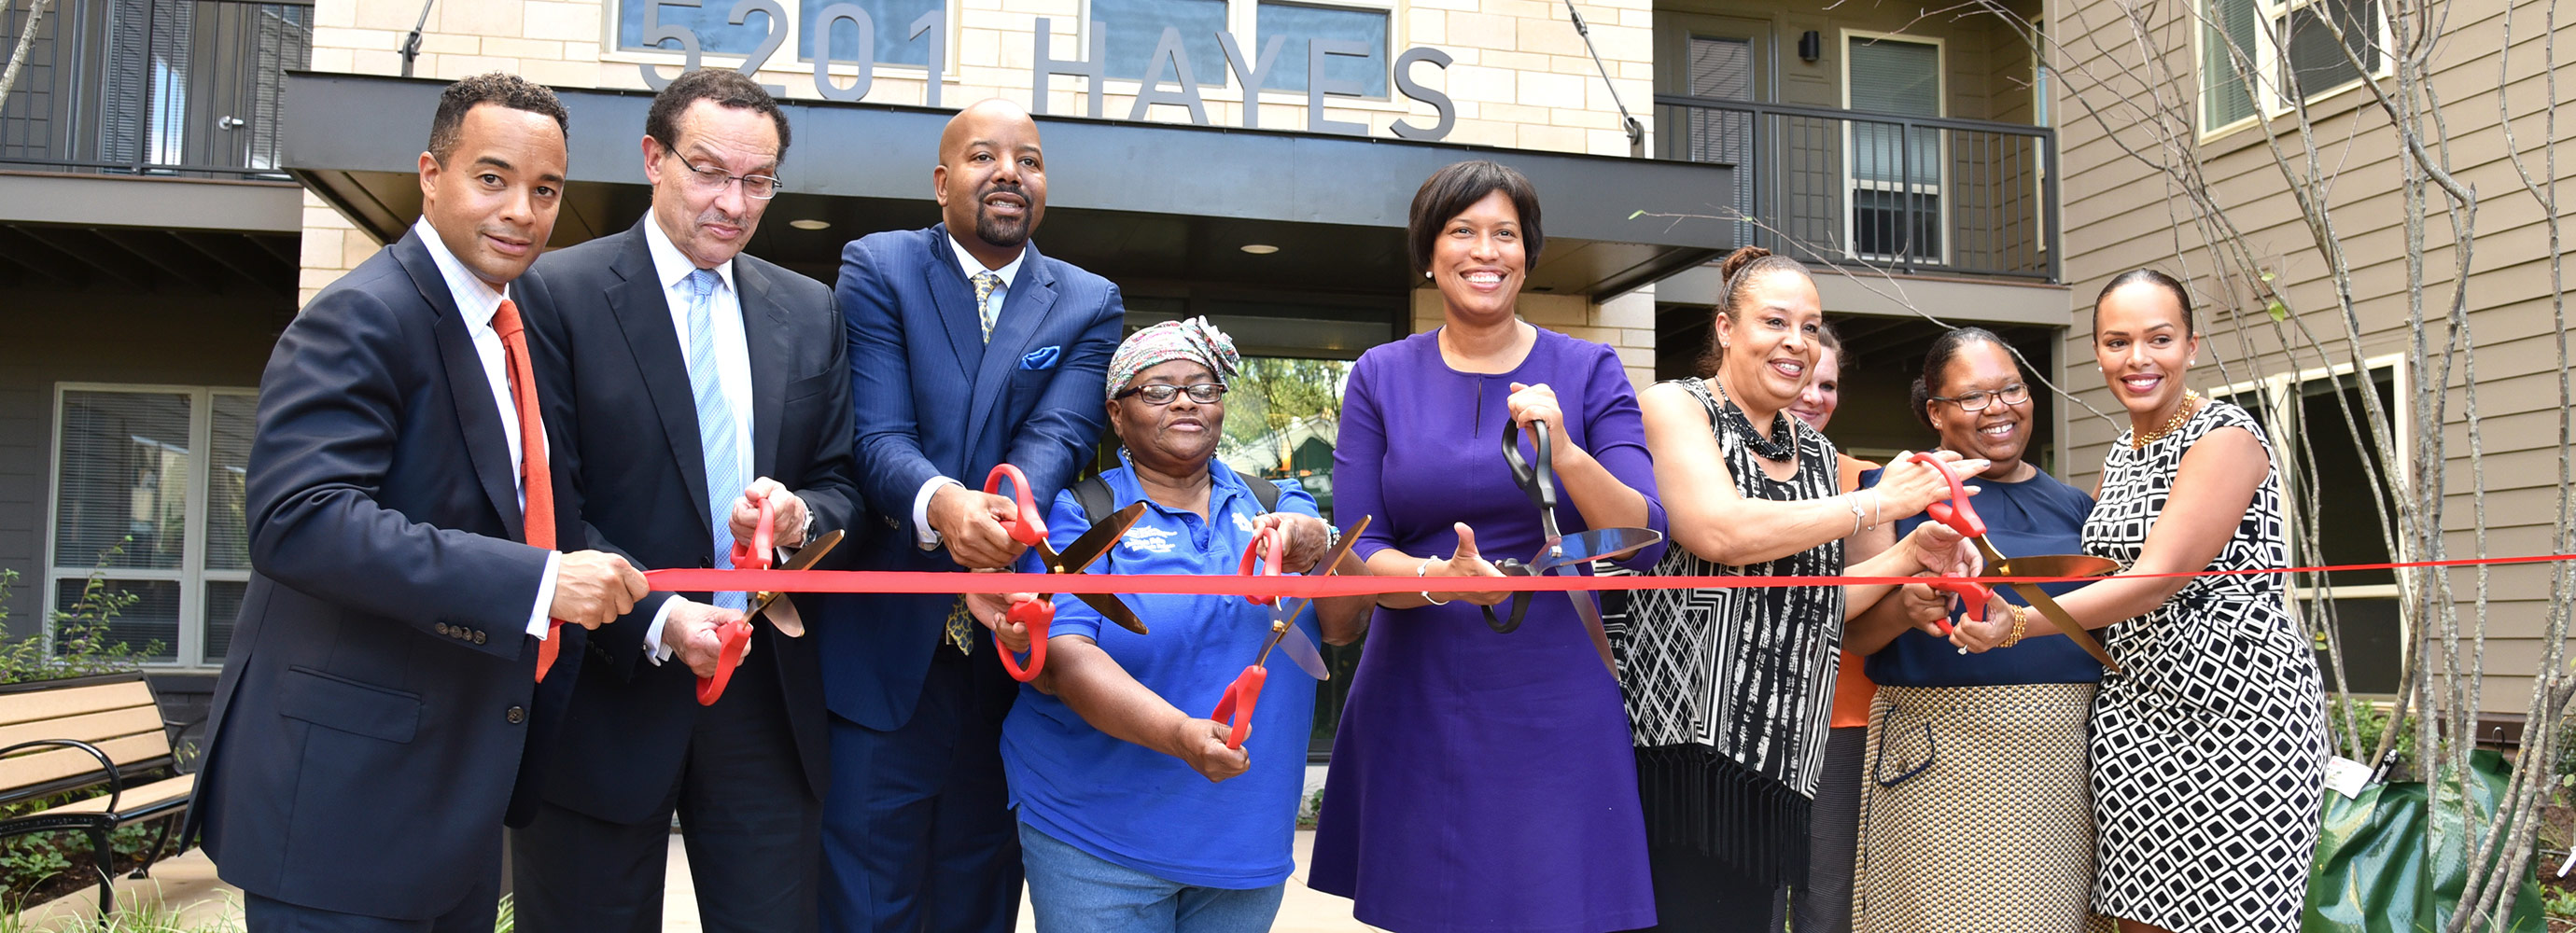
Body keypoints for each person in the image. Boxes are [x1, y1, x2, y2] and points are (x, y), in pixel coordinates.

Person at [182, 74, 651, 931]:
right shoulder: (364, 314)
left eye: (545, 190)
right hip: (342, 809)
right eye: (493, 178)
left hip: (449, 805)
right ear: (431, 174)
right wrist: (541, 584)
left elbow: (533, 515)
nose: (521, 210)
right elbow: (300, 520)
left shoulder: (508, 331)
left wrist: (654, 612)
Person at [510, 69, 861, 933]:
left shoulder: (810, 310)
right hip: (606, 691)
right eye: (709, 171)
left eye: (758, 180)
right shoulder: (556, 294)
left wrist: (797, 518)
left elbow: (841, 481)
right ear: (652, 159)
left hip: (763, 699)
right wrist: (662, 618)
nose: (734, 202)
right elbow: (543, 501)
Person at [1305, 160, 1667, 933]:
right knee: (1426, 907)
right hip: (1415, 683)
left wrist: (1565, 450)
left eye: (1506, 234)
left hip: (1552, 685)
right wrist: (1443, 578)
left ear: (1529, 255)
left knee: (1550, 904)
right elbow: (1362, 550)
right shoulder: (1378, 375)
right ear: (1429, 253)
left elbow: (1644, 537)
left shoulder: (1589, 368)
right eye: (1462, 231)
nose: (1485, 251)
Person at [819, 98, 1127, 933]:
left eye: (1028, 160)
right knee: (867, 892)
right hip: (886, 650)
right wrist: (943, 505)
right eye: (985, 156)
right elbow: (877, 434)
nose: (1008, 174)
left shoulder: (1089, 301)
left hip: (1011, 651)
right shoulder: (877, 267)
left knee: (981, 887)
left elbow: (1059, 432)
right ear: (941, 180)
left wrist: (1002, 513)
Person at [1613, 245, 1984, 932]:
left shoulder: (1813, 452)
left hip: (1778, 759)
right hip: (1683, 752)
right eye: (1775, 322)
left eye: (1810, 328)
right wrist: (1876, 504)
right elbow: (1720, 533)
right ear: (1726, 329)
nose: (1797, 344)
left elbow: (1816, 597)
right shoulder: (1674, 406)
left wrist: (1909, 551)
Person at [1951, 271, 2326, 933]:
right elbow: (2103, 570)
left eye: (2159, 339)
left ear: (2192, 345)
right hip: (2135, 716)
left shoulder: (2225, 436)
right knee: (2138, 918)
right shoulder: (2122, 454)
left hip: (2239, 716)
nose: (2138, 359)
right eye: (2118, 342)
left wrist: (2021, 625)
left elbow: (2156, 578)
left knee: (2234, 918)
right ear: (2096, 353)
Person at [991, 318, 1373, 933]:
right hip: (1096, 834)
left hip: (1241, 832)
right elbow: (1064, 661)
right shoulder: (1080, 513)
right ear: (1117, 414)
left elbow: (1344, 625)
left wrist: (1322, 543)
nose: (1186, 400)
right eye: (1158, 390)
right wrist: (1179, 736)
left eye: (1202, 386)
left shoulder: (1278, 504)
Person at [1841, 328, 2110, 933]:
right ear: (1934, 411)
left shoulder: (2074, 506)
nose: (1999, 408)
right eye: (1973, 397)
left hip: (2060, 758)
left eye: (2012, 388)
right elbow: (1854, 635)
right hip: (1938, 756)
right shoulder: (1891, 492)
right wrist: (1907, 610)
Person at [1786, 324, 1876, 933]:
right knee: (1746, 900)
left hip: (1838, 718)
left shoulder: (1866, 479)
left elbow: (1869, 597)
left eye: (1829, 384)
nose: (1814, 396)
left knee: (1828, 903)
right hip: (1737, 724)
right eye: (1803, 379)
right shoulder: (1713, 473)